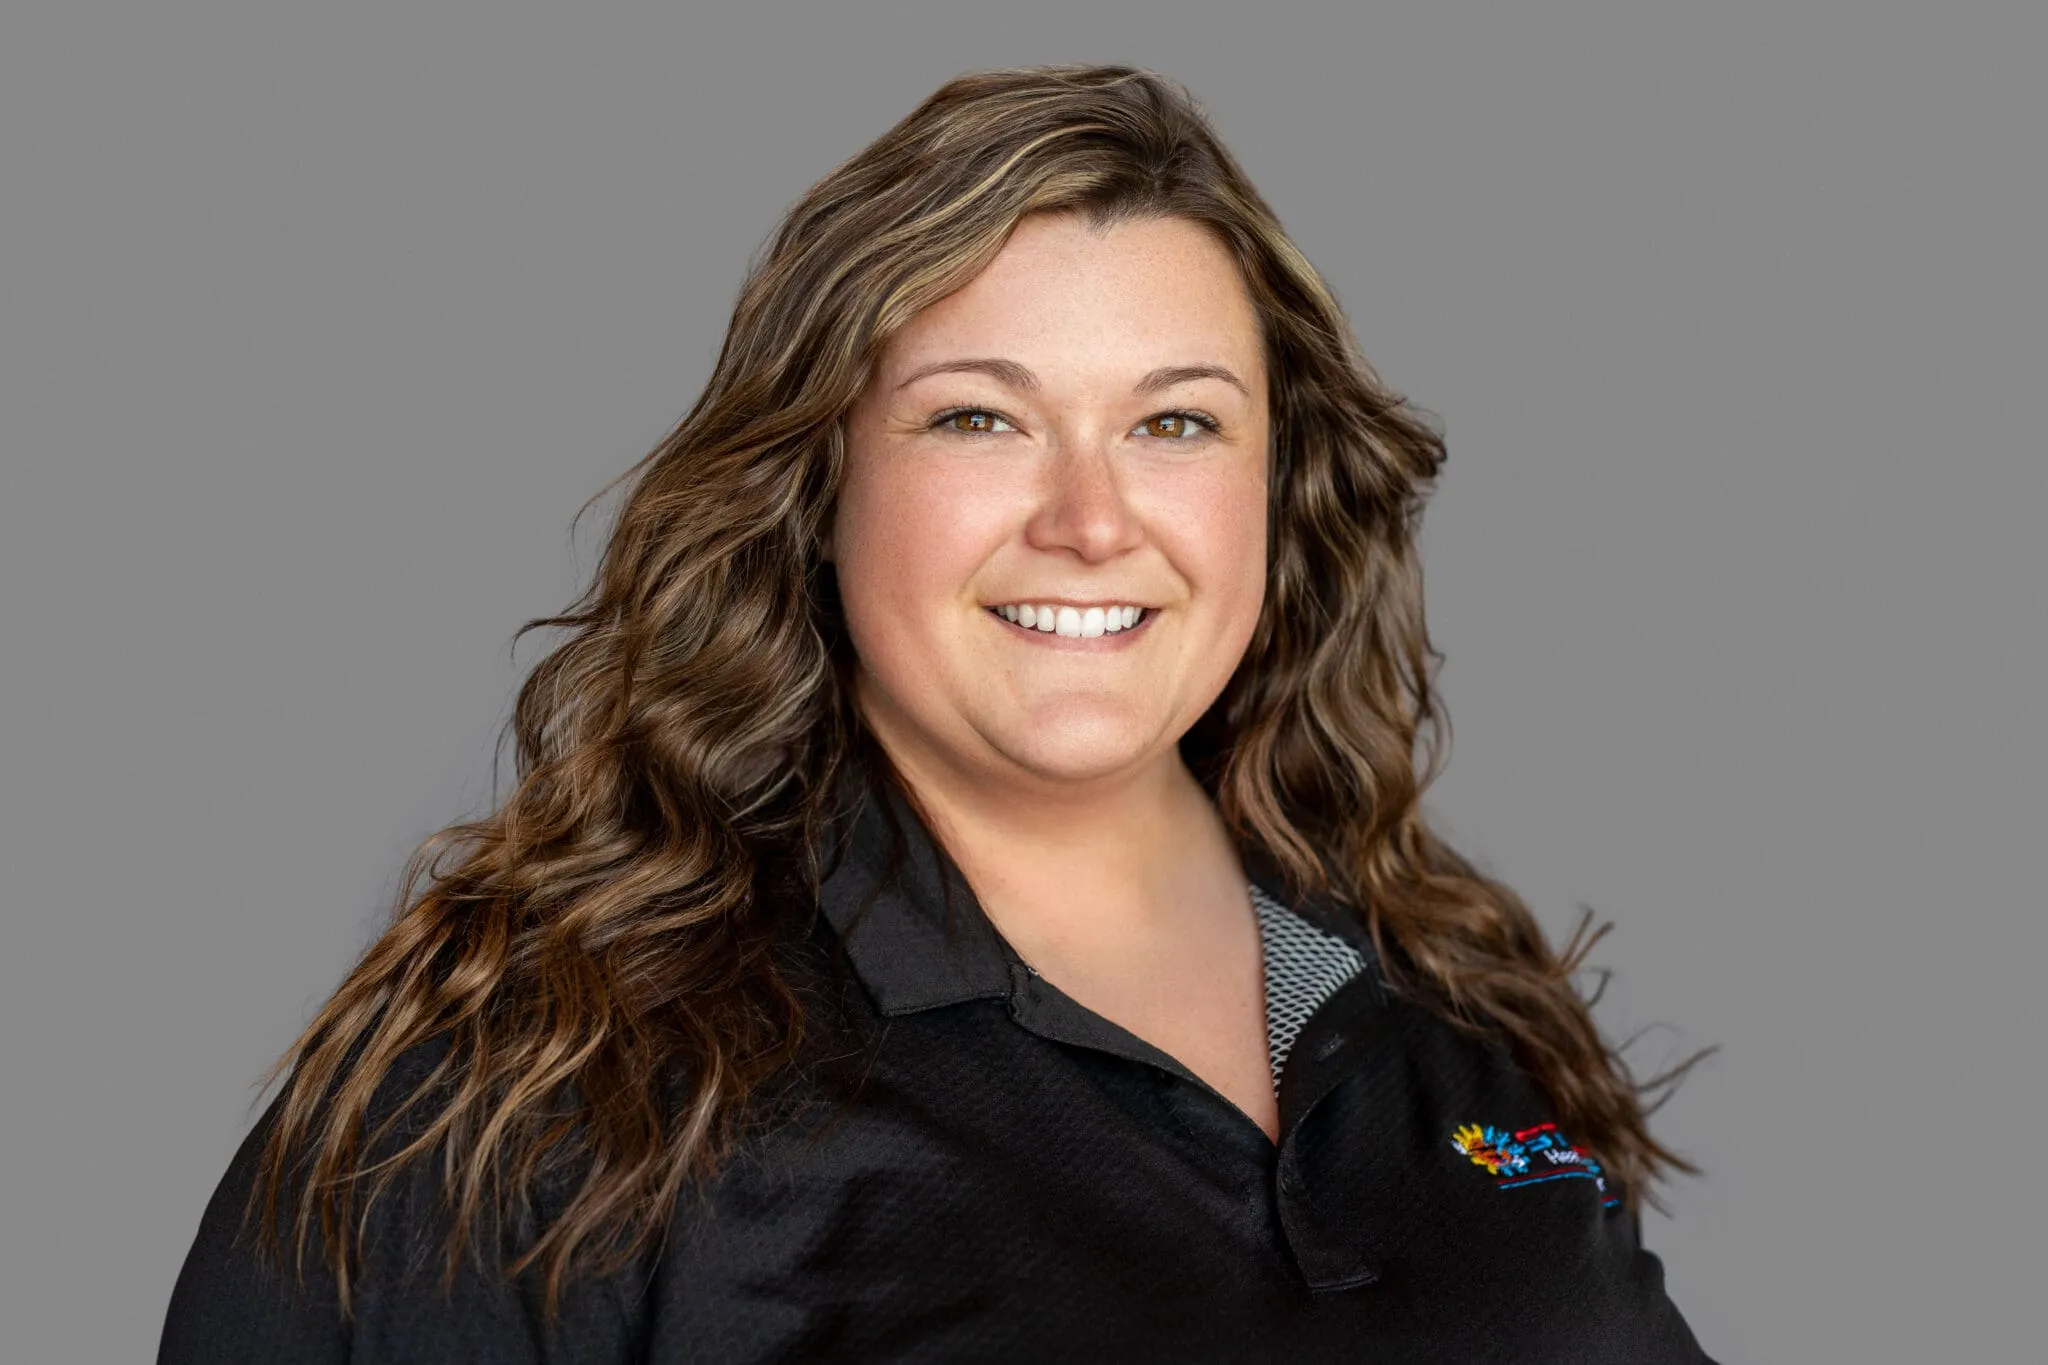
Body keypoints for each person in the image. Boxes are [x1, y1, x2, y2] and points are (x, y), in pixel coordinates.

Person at [160, 63, 1714, 1363]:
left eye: (1176, 423)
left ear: (1279, 494)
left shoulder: (1445, 994)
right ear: (818, 484)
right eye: (979, 416)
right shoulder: (542, 1084)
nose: (1091, 520)